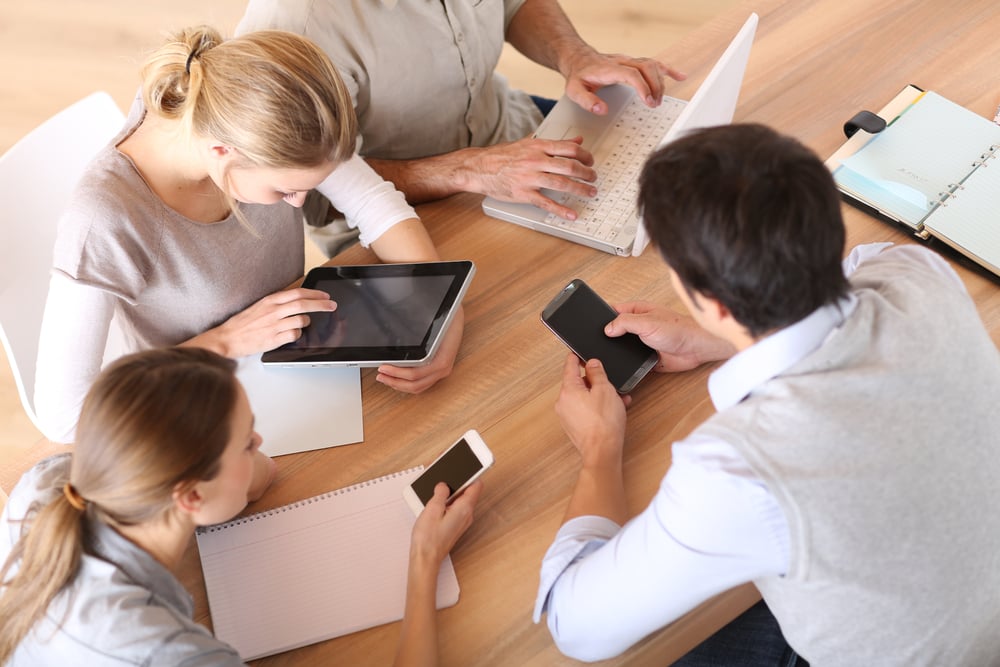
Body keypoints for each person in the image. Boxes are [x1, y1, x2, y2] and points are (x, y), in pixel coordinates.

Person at [534, 124, 1000, 665]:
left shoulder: (739, 467)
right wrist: (714, 340)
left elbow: (577, 627)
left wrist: (598, 447)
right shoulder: (917, 273)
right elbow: (851, 275)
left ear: (712, 300)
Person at [34, 26, 464, 453]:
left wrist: (442, 314)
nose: (297, 205)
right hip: (197, 400)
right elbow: (65, 416)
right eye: (284, 191)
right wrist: (224, 341)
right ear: (223, 152)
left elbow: (375, 204)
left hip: (294, 362)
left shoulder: (254, 105)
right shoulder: (106, 217)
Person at [0, 347, 482, 665]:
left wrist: (238, 462)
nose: (260, 440)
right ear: (189, 496)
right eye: (245, 442)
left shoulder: (52, 482)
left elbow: (259, 476)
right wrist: (424, 560)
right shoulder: (170, 653)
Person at [236, 0, 685, 227]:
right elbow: (307, 195)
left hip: (516, 132)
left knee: (672, 183)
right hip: (399, 219)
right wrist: (467, 170)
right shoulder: (295, 26)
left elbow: (513, 5)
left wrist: (576, 55)